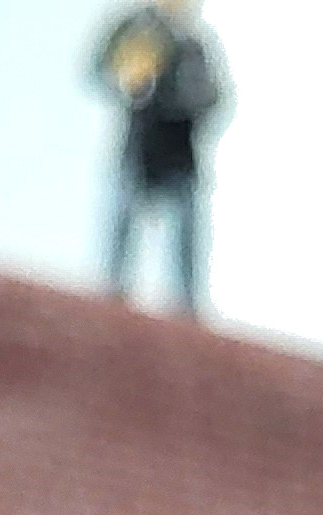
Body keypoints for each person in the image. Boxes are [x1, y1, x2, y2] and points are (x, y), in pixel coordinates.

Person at [90, 2, 223, 316]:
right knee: (121, 230)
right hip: (139, 149)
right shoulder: (134, 30)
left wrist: (182, 99)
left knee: (184, 243)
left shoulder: (194, 45)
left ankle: (187, 311)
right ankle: (111, 299)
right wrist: (127, 80)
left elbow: (214, 97)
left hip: (179, 156)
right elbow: (99, 69)